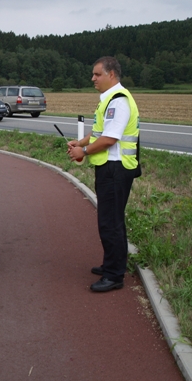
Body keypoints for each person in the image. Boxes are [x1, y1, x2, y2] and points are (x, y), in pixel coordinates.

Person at [67, 57, 141, 292]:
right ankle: (113, 264)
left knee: (110, 223)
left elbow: (110, 139)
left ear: (111, 75)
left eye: (97, 74)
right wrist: (80, 142)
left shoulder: (118, 101)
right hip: (111, 168)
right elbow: (100, 132)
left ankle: (114, 275)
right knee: (112, 220)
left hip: (116, 168)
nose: (93, 79)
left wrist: (84, 150)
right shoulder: (110, 100)